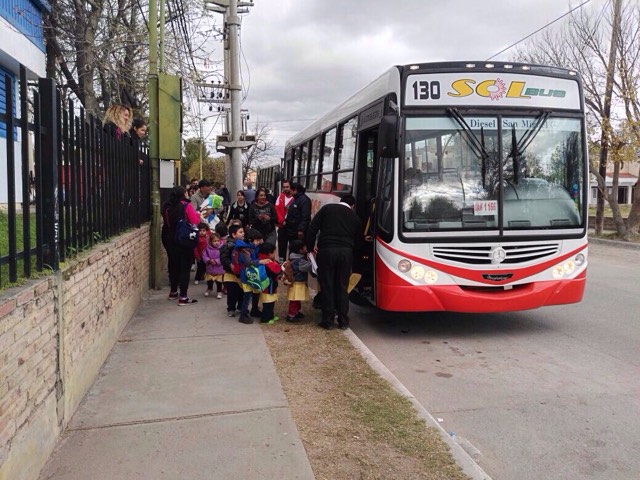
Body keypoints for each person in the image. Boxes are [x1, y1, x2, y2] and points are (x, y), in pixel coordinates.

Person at [306, 195, 362, 329]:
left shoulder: (327, 209)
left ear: (340, 201)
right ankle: (343, 321)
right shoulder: (355, 217)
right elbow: (359, 241)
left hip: (326, 251)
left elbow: (312, 228)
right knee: (342, 287)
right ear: (352, 205)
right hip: (346, 253)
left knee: (327, 285)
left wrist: (309, 248)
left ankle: (328, 320)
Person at [161, 186, 200, 305]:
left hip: (168, 238)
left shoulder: (167, 206)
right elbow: (195, 221)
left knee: (173, 264)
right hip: (183, 239)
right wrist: (198, 214)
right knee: (185, 267)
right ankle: (183, 296)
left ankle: (173, 292)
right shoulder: (186, 205)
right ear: (183, 194)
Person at [234, 229, 270, 324]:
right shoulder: (244, 250)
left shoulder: (251, 247)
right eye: (257, 240)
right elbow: (248, 262)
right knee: (247, 295)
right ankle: (243, 314)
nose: (259, 242)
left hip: (251, 275)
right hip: (246, 276)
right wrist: (260, 262)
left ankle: (254, 310)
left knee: (255, 292)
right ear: (250, 240)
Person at [220, 223, 244, 317]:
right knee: (232, 293)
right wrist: (230, 264)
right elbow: (223, 258)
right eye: (240, 232)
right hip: (230, 274)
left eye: (243, 232)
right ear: (233, 235)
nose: (243, 234)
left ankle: (241, 307)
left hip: (241, 273)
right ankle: (231, 309)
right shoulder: (227, 245)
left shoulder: (243, 244)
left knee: (242, 292)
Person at [286, 240, 312, 323]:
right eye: (304, 247)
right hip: (297, 283)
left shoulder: (293, 258)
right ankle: (291, 315)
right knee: (294, 300)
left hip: (295, 282)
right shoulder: (299, 261)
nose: (306, 248)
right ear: (300, 250)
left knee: (296, 299)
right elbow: (309, 267)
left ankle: (295, 312)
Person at [257, 242, 282, 324]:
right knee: (268, 303)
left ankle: (270, 316)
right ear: (269, 253)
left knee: (269, 302)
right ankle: (265, 319)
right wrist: (281, 267)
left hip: (265, 286)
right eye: (274, 252)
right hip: (268, 287)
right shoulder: (268, 262)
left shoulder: (261, 259)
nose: (275, 254)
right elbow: (275, 272)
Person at [284, 182, 311, 249]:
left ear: (295, 190)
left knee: (297, 250)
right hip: (292, 231)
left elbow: (305, 216)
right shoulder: (296, 199)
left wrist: (301, 230)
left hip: (297, 232)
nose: (290, 193)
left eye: (291, 191)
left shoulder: (304, 200)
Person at [275, 179, 294, 262]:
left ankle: (291, 265)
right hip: (282, 226)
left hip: (292, 227)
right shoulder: (280, 197)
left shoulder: (295, 198)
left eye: (287, 187)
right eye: (284, 187)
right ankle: (281, 264)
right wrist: (282, 221)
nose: (285, 189)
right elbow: (277, 210)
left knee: (293, 247)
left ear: (290, 187)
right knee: (282, 246)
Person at [201, 231, 225, 298]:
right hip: (210, 268)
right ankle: (209, 288)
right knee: (209, 281)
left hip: (219, 269)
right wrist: (208, 260)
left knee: (219, 282)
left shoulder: (222, 248)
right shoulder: (207, 249)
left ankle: (219, 291)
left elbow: (223, 257)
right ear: (211, 242)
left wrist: (217, 261)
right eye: (214, 241)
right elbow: (204, 256)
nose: (217, 242)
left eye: (218, 240)